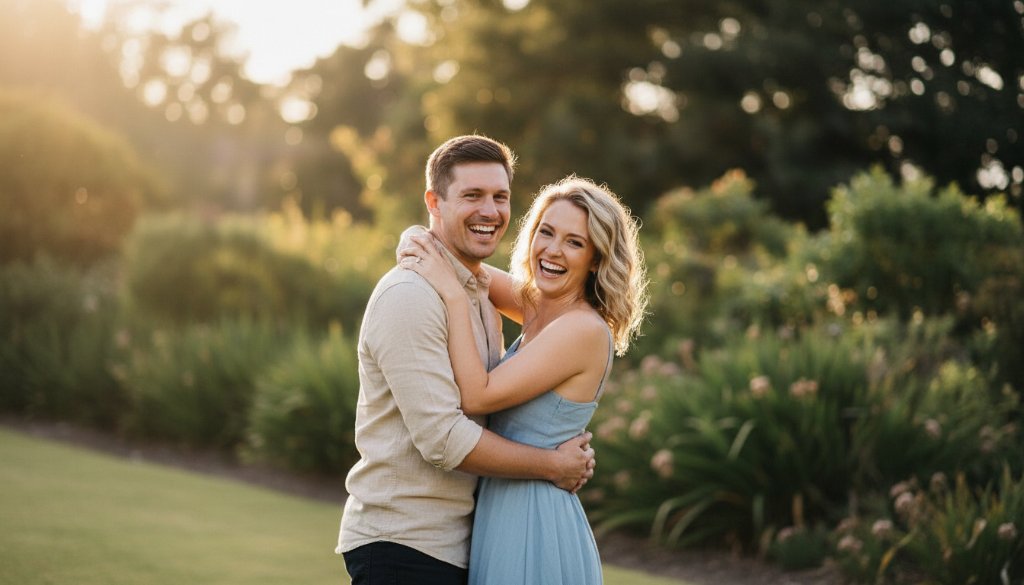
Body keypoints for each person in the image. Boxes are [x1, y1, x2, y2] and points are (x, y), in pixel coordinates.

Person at [336, 135, 596, 585]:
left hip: (460, 545)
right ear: (434, 202)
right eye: (472, 196)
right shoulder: (410, 297)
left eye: (500, 197)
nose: (490, 211)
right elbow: (443, 438)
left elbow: (533, 302)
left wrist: (424, 240)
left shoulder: (474, 289)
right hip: (404, 545)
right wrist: (552, 464)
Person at [400, 175, 648, 585]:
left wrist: (454, 298)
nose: (552, 250)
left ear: (597, 259)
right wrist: (415, 234)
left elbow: (477, 397)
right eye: (546, 232)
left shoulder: (582, 330)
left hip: (536, 522)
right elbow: (446, 250)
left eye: (575, 242)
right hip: (501, 513)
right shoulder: (539, 308)